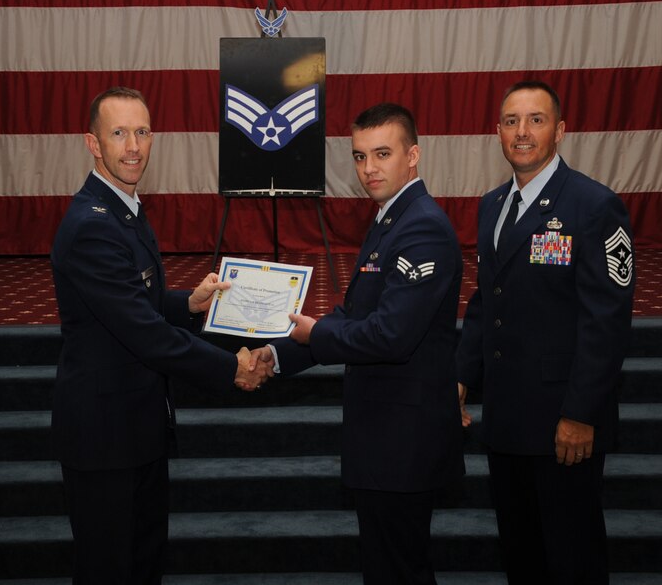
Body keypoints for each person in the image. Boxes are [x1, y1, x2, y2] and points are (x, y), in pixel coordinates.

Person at [50, 86, 272, 584]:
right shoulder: (93, 224)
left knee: (144, 564)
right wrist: (231, 367)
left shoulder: (123, 208)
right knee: (110, 570)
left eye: (143, 132)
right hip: (104, 437)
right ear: (92, 142)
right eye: (119, 133)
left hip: (136, 428)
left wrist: (188, 303)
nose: (133, 145)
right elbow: (145, 334)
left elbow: (136, 303)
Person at [250, 103, 466, 585]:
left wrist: (316, 334)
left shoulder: (422, 227)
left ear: (413, 156)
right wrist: (277, 355)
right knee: (384, 564)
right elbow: (355, 314)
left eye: (382, 154)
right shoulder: (391, 219)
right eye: (360, 156)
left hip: (404, 443)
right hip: (384, 436)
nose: (369, 169)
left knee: (400, 568)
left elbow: (390, 335)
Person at [455, 81, 635, 584]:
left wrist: (581, 414)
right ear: (497, 132)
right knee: (523, 554)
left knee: (571, 559)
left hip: (564, 425)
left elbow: (607, 323)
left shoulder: (594, 206)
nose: (522, 131)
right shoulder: (491, 205)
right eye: (511, 121)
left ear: (559, 130)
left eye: (535, 120)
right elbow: (486, 299)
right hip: (507, 418)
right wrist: (462, 374)